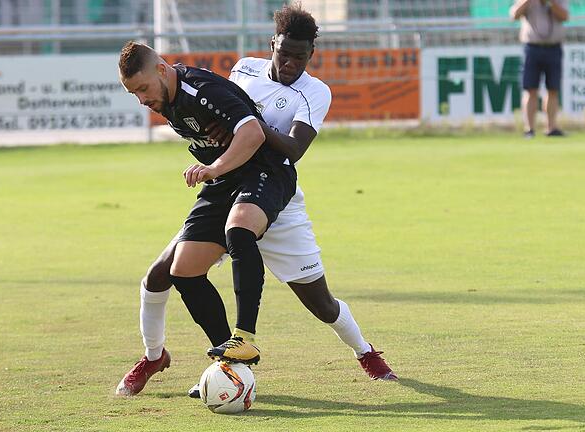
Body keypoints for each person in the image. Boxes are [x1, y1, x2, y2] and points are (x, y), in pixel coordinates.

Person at [116, 4, 397, 398]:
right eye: (284, 53)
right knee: (167, 273)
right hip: (230, 183)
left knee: (320, 302)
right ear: (272, 45)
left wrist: (247, 129)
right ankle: (194, 359)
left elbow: (293, 147)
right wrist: (224, 146)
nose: (290, 63)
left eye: (300, 56)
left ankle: (365, 352)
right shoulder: (244, 68)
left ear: (310, 55)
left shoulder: (315, 91)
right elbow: (220, 110)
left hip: (274, 189)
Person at [118, 40, 298, 368]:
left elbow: (254, 133)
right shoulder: (166, 100)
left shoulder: (200, 90)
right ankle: (230, 360)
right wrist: (216, 168)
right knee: (183, 270)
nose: (142, 100)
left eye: (143, 89)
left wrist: (213, 167)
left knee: (239, 229)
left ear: (162, 69)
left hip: (265, 171)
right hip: (224, 181)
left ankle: (245, 338)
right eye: (135, 95)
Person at [510, 0, 569, 138]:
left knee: (553, 89)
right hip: (532, 48)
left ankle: (551, 127)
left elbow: (565, 16)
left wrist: (550, 3)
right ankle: (529, 129)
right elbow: (514, 15)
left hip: (553, 47)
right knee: (530, 89)